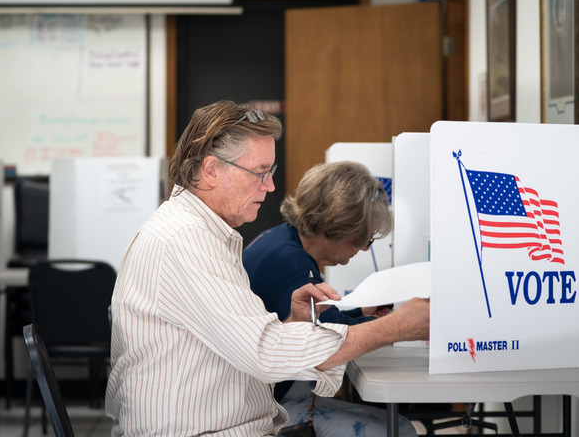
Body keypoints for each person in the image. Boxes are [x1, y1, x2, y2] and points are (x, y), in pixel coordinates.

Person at [105, 100, 429, 437]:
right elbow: (265, 352)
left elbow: (243, 345)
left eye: (270, 173)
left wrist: (292, 323)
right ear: (212, 169)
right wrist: (396, 328)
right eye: (260, 173)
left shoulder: (199, 233)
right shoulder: (185, 240)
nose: (270, 186)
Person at [243, 161, 417, 437]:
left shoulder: (280, 240)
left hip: (262, 397)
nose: (363, 248)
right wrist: (402, 324)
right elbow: (332, 339)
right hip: (267, 411)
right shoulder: (292, 265)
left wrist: (362, 312)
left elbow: (323, 321)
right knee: (400, 430)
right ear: (339, 225)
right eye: (364, 238)